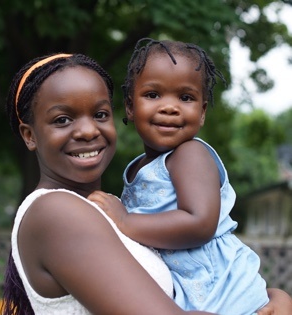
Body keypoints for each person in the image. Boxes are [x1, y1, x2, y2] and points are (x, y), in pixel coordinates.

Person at [1, 52, 219, 315]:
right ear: (29, 135)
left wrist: (263, 298)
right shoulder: (56, 212)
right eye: (63, 120)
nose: (88, 131)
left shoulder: (113, 210)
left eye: (100, 114)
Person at [88, 38, 292, 315]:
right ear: (130, 107)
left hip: (223, 292)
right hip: (189, 292)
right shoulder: (138, 168)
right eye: (153, 95)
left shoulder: (189, 155)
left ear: (203, 111)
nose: (170, 107)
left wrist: (124, 220)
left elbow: (199, 223)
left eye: (185, 97)